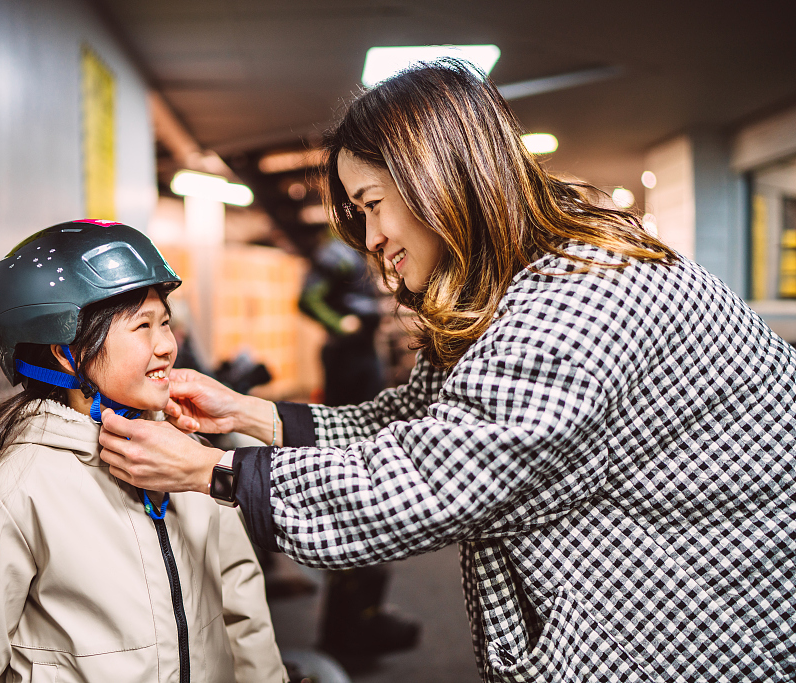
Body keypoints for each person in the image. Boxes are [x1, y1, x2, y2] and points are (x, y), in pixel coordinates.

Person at [96, 60, 796, 682]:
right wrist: (251, 416)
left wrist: (207, 471)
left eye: (372, 205)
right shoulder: (519, 285)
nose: (371, 240)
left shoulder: (578, 302)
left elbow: (428, 481)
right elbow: (415, 421)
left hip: (714, 626)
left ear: (435, 176)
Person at [0, 220, 286, 683]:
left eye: (165, 323)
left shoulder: (192, 459)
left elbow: (243, 607)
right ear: (65, 353)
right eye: (142, 327)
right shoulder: (14, 489)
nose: (167, 347)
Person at [298, 229, 420, 658]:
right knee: (351, 466)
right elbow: (307, 299)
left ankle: (360, 620)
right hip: (347, 356)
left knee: (368, 458)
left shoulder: (366, 252)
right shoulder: (335, 252)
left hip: (365, 354)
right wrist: (340, 324)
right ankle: (345, 632)